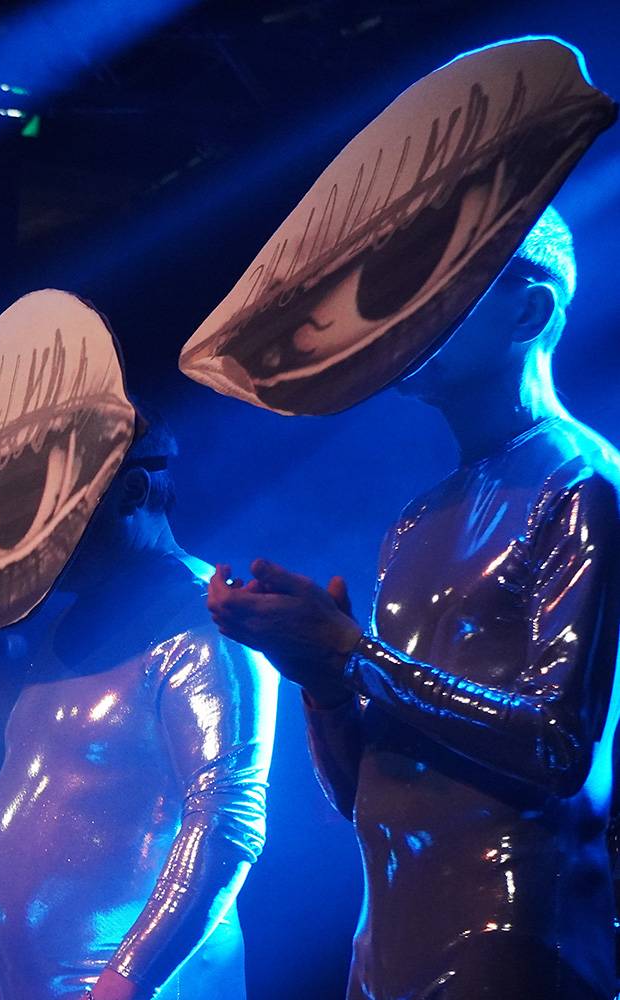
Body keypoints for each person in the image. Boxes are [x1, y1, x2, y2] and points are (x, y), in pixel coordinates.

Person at [207, 206, 620, 999]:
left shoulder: (581, 484)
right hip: (385, 939)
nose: (410, 313)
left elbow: (558, 749)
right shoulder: (414, 521)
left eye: (447, 286)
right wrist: (322, 681)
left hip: (513, 932)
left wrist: (350, 652)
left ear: (529, 312)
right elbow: (363, 792)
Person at [0, 419, 276, 1000]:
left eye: (51, 506)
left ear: (131, 491)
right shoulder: (62, 633)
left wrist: (126, 980)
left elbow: (227, 819)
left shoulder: (204, 619)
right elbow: (34, 800)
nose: (30, 537)